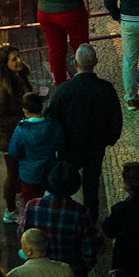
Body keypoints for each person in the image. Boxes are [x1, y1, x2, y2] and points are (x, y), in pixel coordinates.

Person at [48, 42, 123, 211]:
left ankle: (67, 217)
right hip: (95, 147)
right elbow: (116, 118)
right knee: (91, 188)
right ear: (96, 62)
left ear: (75, 64)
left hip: (69, 147)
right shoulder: (106, 88)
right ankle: (90, 221)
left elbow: (51, 117)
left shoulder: (64, 90)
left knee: (65, 183)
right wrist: (109, 139)